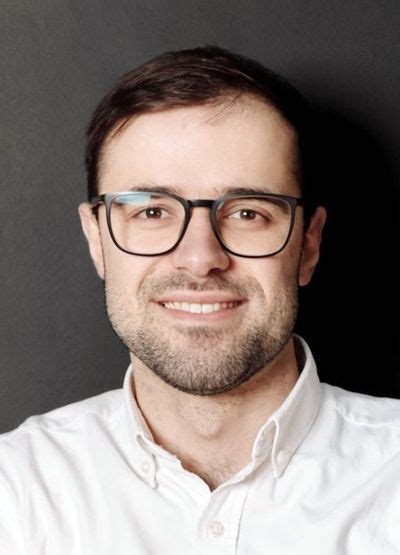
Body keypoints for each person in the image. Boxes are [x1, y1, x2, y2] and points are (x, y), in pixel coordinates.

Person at [0, 46, 399, 554]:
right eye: (151, 212)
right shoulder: (15, 491)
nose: (200, 258)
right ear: (97, 240)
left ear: (309, 245)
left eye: (248, 213)